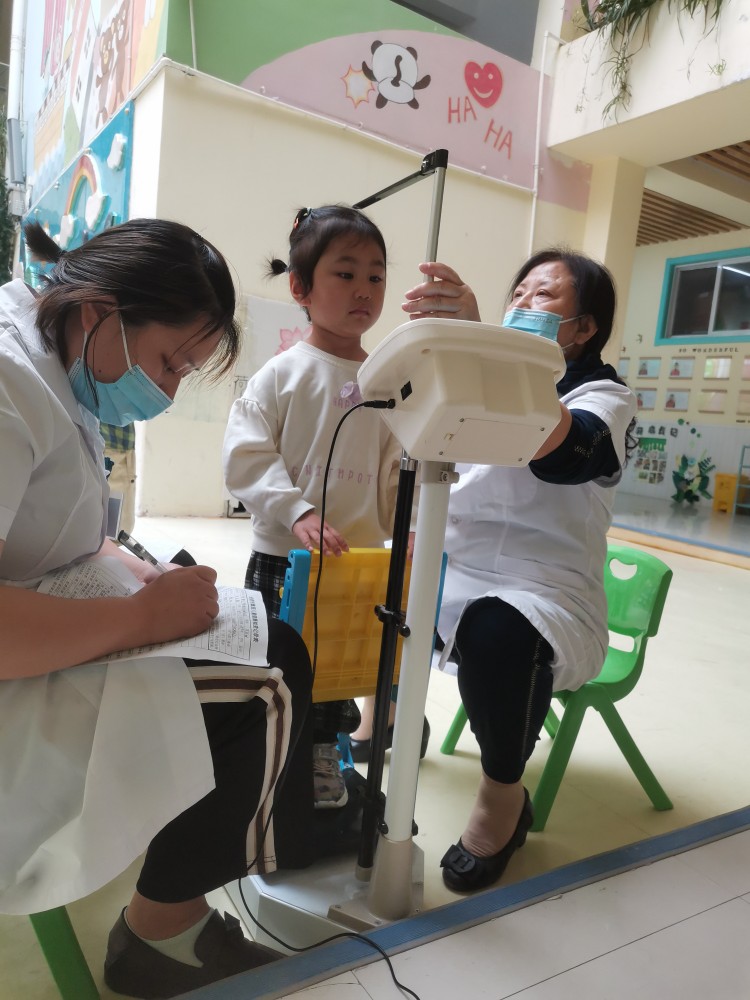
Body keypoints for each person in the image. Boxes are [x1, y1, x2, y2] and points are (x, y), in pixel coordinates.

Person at [0, 220, 316, 998]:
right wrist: (142, 620)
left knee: (256, 639)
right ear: (98, 311)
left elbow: (49, 533)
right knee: (270, 678)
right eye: (170, 362)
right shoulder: (9, 384)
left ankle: (168, 894)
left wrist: (132, 568)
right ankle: (161, 936)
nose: (169, 391)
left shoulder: (48, 356)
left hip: (49, 619)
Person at [401, 249, 637, 893]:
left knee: (496, 630)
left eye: (545, 296)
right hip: (457, 570)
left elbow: (566, 454)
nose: (523, 304)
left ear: (583, 328)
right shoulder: (481, 382)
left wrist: (496, 350)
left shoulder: (606, 397)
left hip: (546, 590)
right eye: (519, 293)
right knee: (374, 582)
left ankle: (502, 798)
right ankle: (382, 721)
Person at [223, 204, 421, 810]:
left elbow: (397, 463)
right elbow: (248, 456)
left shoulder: (387, 383)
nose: (364, 289)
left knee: (340, 668)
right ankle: (268, 755)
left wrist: (408, 524)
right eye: (345, 273)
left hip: (354, 564)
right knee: (279, 664)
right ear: (300, 288)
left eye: (376, 276)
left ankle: (321, 755)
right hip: (286, 557)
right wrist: (296, 510)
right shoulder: (281, 374)